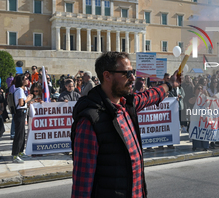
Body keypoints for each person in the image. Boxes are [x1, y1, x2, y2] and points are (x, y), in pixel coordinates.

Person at [71, 52, 181, 198]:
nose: (133, 78)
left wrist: (169, 84)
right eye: (126, 73)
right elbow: (82, 185)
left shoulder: (126, 104)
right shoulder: (90, 122)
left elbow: (149, 96)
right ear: (107, 76)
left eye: (132, 72)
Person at [12, 74, 33, 163]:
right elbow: (21, 103)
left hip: (21, 113)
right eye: (25, 79)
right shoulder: (20, 90)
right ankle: (15, 155)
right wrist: (28, 99)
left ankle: (20, 152)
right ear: (22, 81)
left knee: (22, 134)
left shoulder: (20, 90)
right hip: (20, 113)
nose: (27, 80)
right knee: (19, 135)